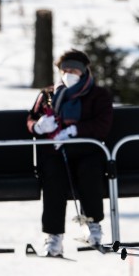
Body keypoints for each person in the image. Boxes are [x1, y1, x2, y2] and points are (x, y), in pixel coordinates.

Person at [27, 49, 113, 256]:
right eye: (64, 70)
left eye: (73, 69)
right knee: (53, 178)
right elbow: (31, 118)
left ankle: (92, 225)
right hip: (57, 151)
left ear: (83, 71)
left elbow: (102, 125)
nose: (68, 73)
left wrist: (76, 130)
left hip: (87, 149)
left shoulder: (97, 94)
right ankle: (53, 235)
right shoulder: (48, 94)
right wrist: (38, 126)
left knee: (89, 172)